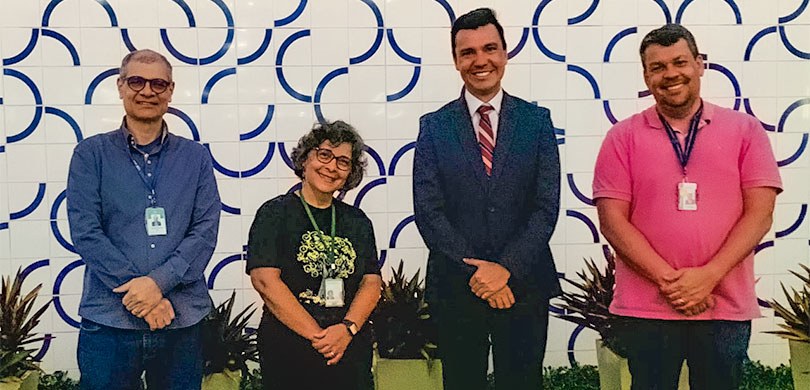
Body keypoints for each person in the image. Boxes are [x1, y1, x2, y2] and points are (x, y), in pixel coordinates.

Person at [593, 24, 782, 389]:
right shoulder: (622, 137)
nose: (670, 74)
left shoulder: (745, 130)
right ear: (646, 76)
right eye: (657, 67)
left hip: (723, 303)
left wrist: (708, 276)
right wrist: (671, 283)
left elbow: (760, 214)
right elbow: (613, 221)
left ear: (699, 64)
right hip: (646, 307)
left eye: (679, 62)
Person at [412, 8, 561, 390]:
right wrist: (480, 273)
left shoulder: (537, 121)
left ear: (506, 53)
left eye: (490, 48)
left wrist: (505, 268)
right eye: (468, 52)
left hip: (524, 284)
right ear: (456, 60)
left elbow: (545, 208)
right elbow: (429, 213)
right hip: (457, 288)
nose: (481, 60)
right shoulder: (433, 127)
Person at [67, 49, 221, 389]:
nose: (147, 91)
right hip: (109, 322)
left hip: (181, 322)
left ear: (170, 90)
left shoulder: (196, 158)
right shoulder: (90, 155)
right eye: (136, 81)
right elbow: (86, 232)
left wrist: (157, 284)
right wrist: (143, 295)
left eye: (158, 83)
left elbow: (205, 231)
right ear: (121, 87)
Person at [247, 120, 382, 390]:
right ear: (306, 159)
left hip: (348, 347)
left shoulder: (357, 221)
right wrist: (320, 337)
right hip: (290, 348)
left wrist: (347, 330)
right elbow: (265, 281)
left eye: (343, 162)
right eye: (324, 155)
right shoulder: (274, 214)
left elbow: (372, 282)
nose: (331, 167)